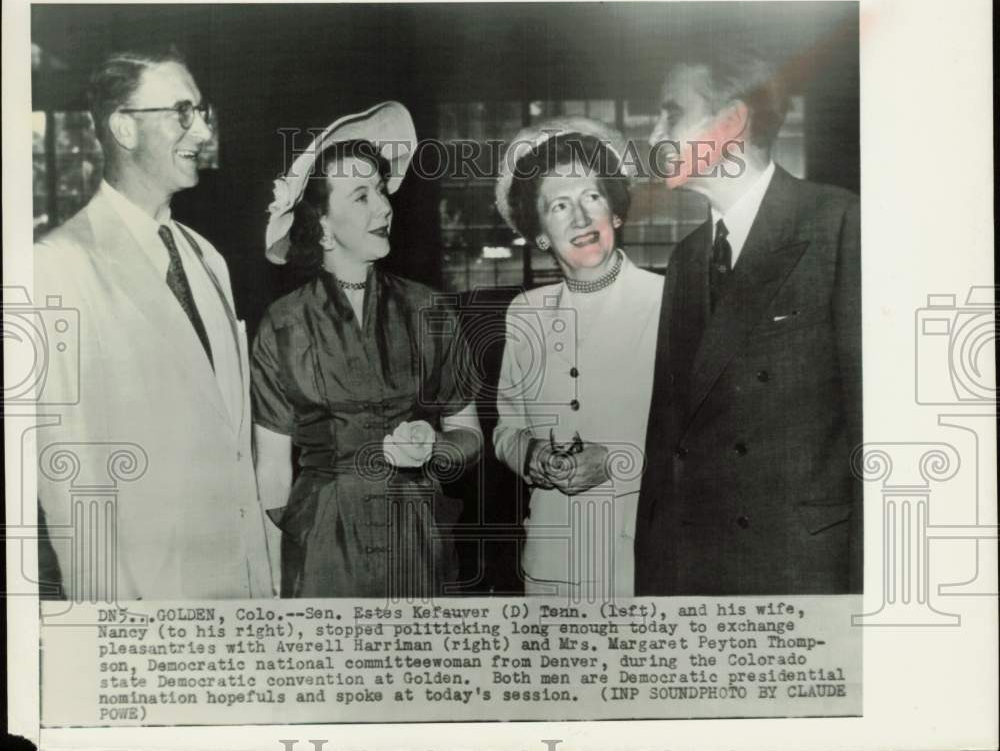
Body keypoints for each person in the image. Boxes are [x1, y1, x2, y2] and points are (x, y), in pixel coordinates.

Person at [33, 48, 272, 600]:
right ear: (124, 127)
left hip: (240, 599)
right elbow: (70, 481)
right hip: (150, 605)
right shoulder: (58, 264)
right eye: (182, 112)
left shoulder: (206, 257)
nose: (203, 129)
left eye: (203, 110)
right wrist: (113, 631)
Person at [634, 42, 862, 595]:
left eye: (672, 113)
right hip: (695, 575)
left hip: (801, 572)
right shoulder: (688, 258)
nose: (654, 137)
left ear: (732, 120)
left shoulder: (839, 224)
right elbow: (666, 443)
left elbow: (876, 440)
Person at [252, 102, 481, 598]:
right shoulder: (283, 324)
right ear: (322, 226)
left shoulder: (430, 310)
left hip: (418, 542)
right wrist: (272, 577)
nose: (383, 206)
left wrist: (435, 446)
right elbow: (271, 467)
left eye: (380, 190)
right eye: (361, 196)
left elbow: (469, 435)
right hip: (321, 549)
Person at [493, 118, 664, 601]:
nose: (581, 219)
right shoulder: (525, 313)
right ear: (540, 232)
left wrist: (616, 462)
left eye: (592, 197)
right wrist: (533, 456)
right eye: (559, 206)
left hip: (643, 561)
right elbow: (507, 429)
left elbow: (700, 443)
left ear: (616, 211)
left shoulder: (669, 302)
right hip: (552, 566)